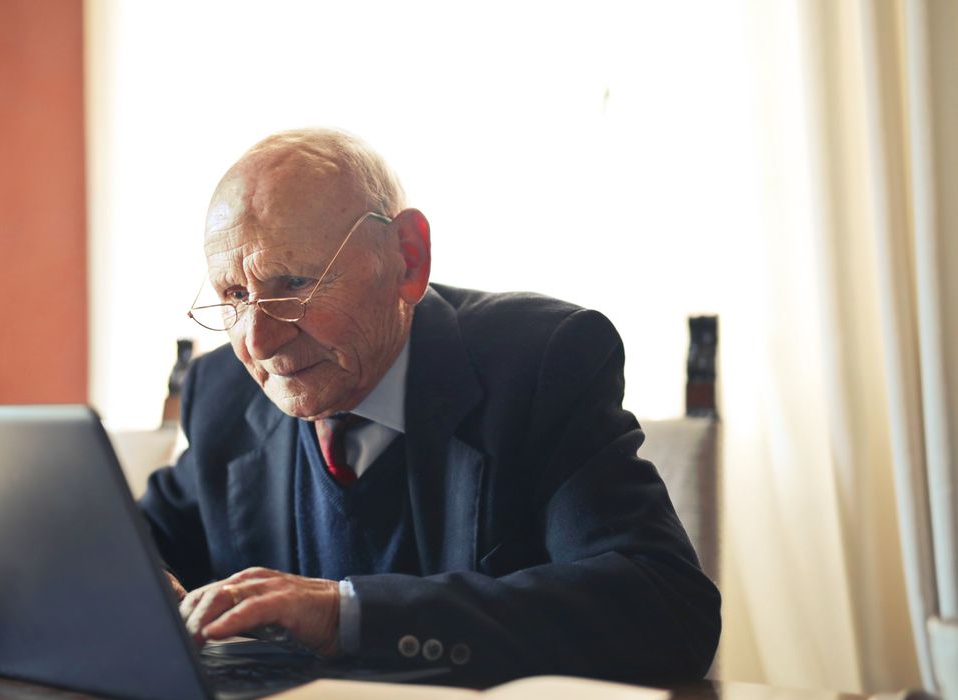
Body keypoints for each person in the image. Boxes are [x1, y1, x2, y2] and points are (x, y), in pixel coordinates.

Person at [140, 128, 721, 684]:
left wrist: (345, 613)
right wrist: (139, 585)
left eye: (293, 282)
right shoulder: (224, 392)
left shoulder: (540, 363)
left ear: (408, 258)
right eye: (235, 295)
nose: (259, 340)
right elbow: (140, 544)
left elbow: (665, 610)